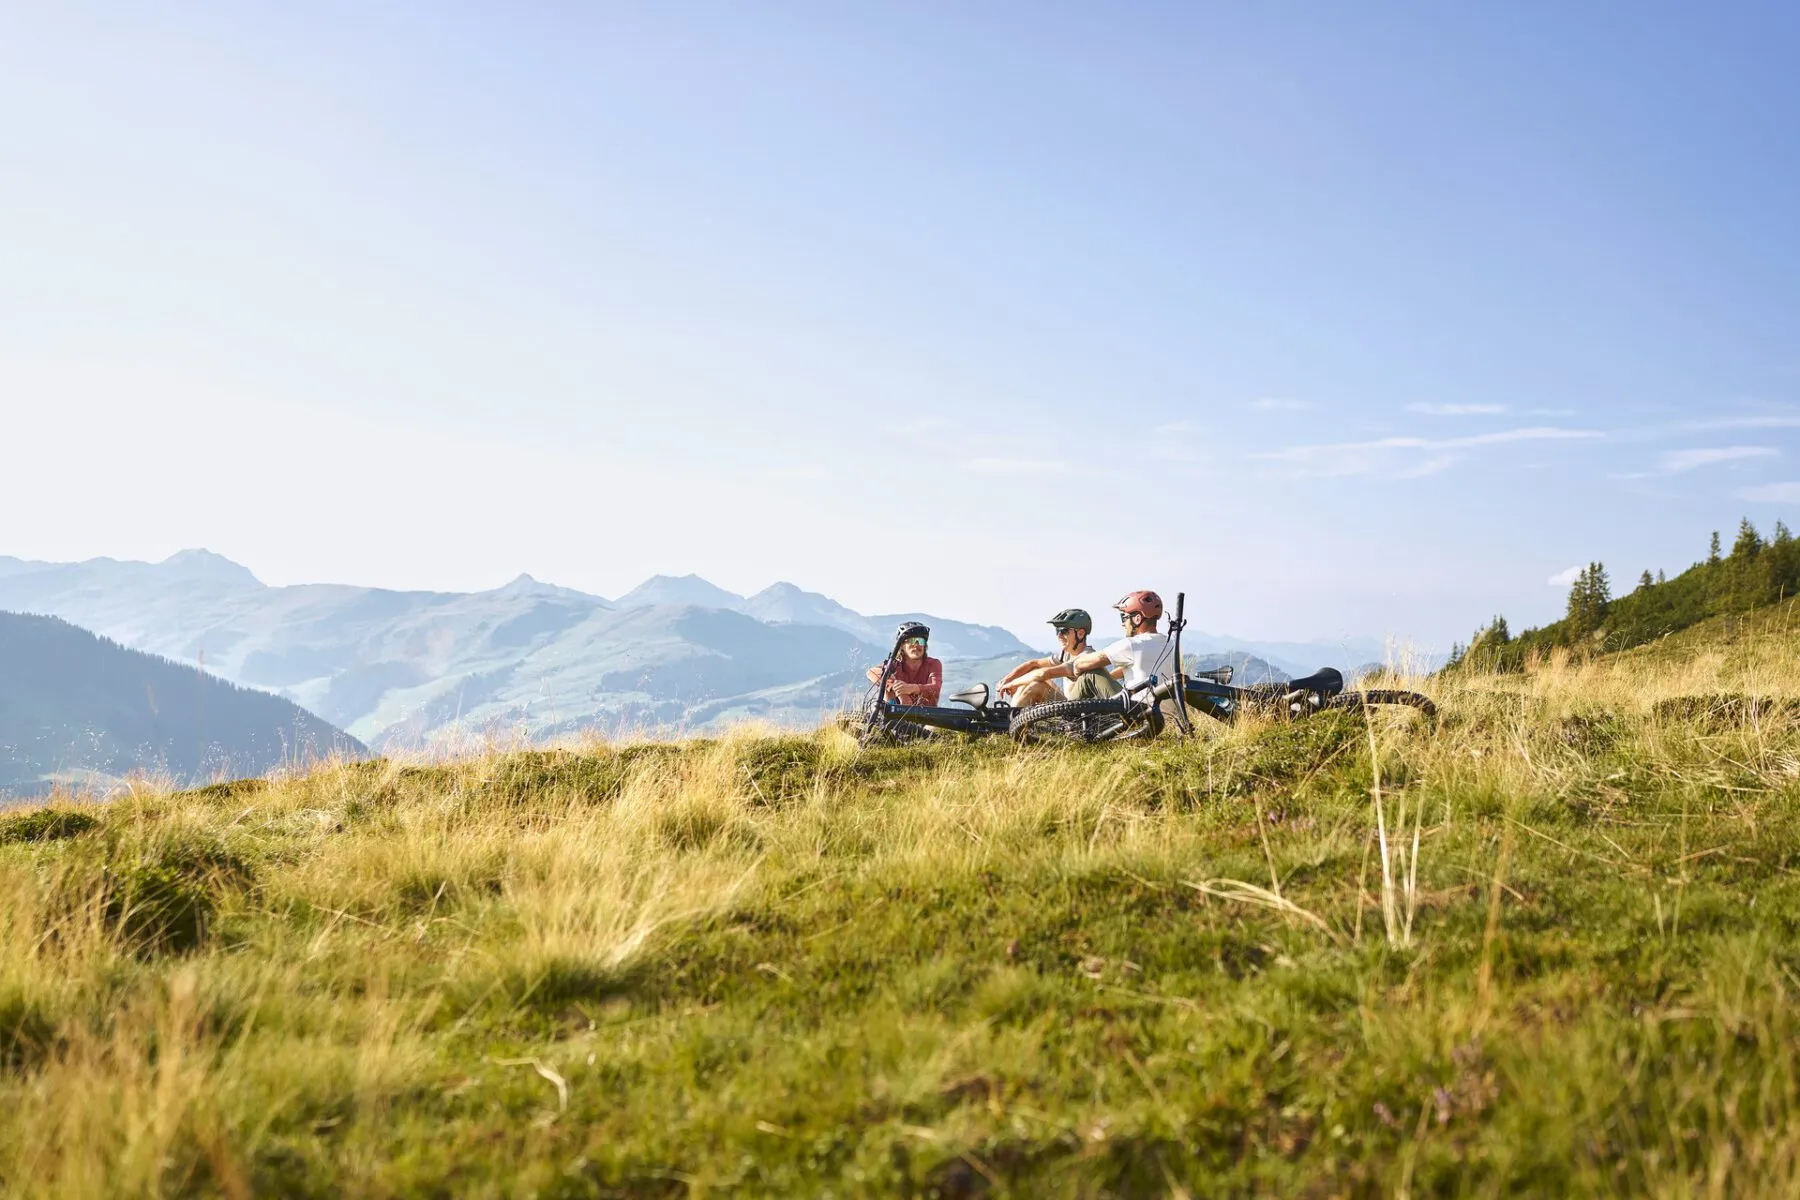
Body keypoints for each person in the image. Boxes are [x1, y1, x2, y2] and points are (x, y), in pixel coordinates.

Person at [1003, 591, 1173, 700]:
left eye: (1124, 618)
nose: (1123, 624)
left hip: (1137, 711)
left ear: (1137, 619)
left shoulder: (1131, 644)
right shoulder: (1170, 643)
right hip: (1162, 715)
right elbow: (1136, 669)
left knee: (1090, 673)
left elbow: (1085, 664)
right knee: (1041, 679)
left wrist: (1077, 667)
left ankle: (1009, 724)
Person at [998, 608, 1123, 708]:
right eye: (1057, 631)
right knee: (1029, 675)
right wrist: (1008, 679)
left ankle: (1010, 721)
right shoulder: (1066, 654)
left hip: (1082, 709)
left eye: (1064, 631)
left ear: (1080, 633)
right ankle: (1011, 713)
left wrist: (1012, 683)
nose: (1059, 636)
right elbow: (1033, 664)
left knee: (1036, 685)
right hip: (1068, 703)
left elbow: (1043, 673)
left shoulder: (1086, 656)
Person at [865, 621, 943, 706]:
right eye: (911, 641)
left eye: (920, 641)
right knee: (887, 679)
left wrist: (911, 688)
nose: (916, 645)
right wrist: (899, 690)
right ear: (902, 645)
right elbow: (871, 672)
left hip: (926, 716)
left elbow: (935, 688)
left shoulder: (933, 664)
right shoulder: (895, 664)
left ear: (925, 646)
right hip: (897, 716)